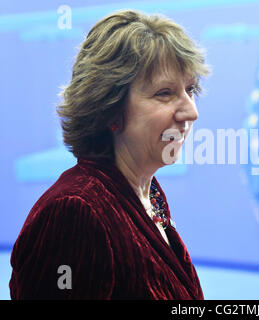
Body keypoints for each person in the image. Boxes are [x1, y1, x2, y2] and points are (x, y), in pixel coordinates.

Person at [9, 9, 210, 299]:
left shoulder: (148, 193)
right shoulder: (74, 212)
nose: (192, 111)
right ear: (109, 108)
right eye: (164, 93)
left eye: (190, 89)